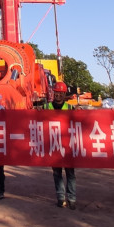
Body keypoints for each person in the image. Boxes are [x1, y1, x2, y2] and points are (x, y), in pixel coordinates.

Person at [44, 80, 76, 210]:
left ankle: (72, 199)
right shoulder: (47, 107)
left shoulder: (70, 108)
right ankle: (60, 198)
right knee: (57, 173)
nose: (58, 95)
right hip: (54, 145)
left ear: (64, 94)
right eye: (56, 93)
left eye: (61, 93)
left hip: (68, 146)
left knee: (70, 173)